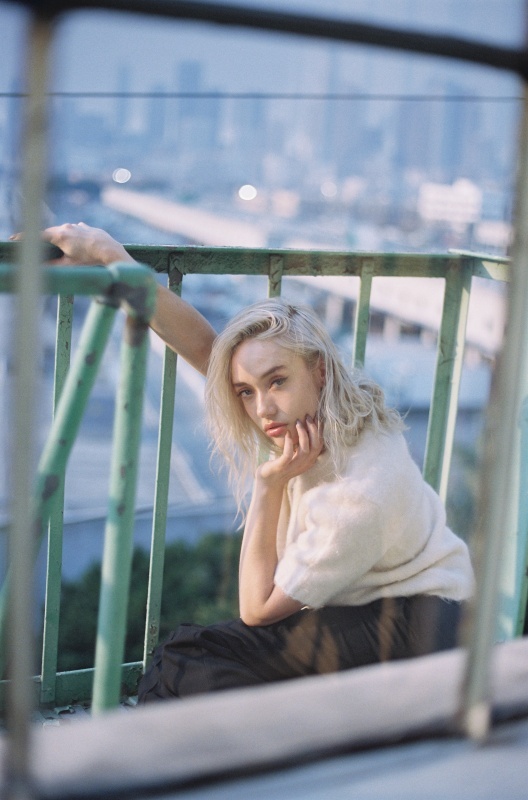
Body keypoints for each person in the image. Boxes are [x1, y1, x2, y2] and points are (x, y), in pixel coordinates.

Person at [20, 222, 474, 701]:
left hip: (426, 626)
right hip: (374, 610)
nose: (262, 409)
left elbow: (256, 610)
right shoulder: (328, 412)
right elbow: (203, 347)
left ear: (319, 371)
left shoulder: (358, 492)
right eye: (246, 392)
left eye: (277, 381)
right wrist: (107, 256)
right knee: (188, 660)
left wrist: (268, 485)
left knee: (189, 660)